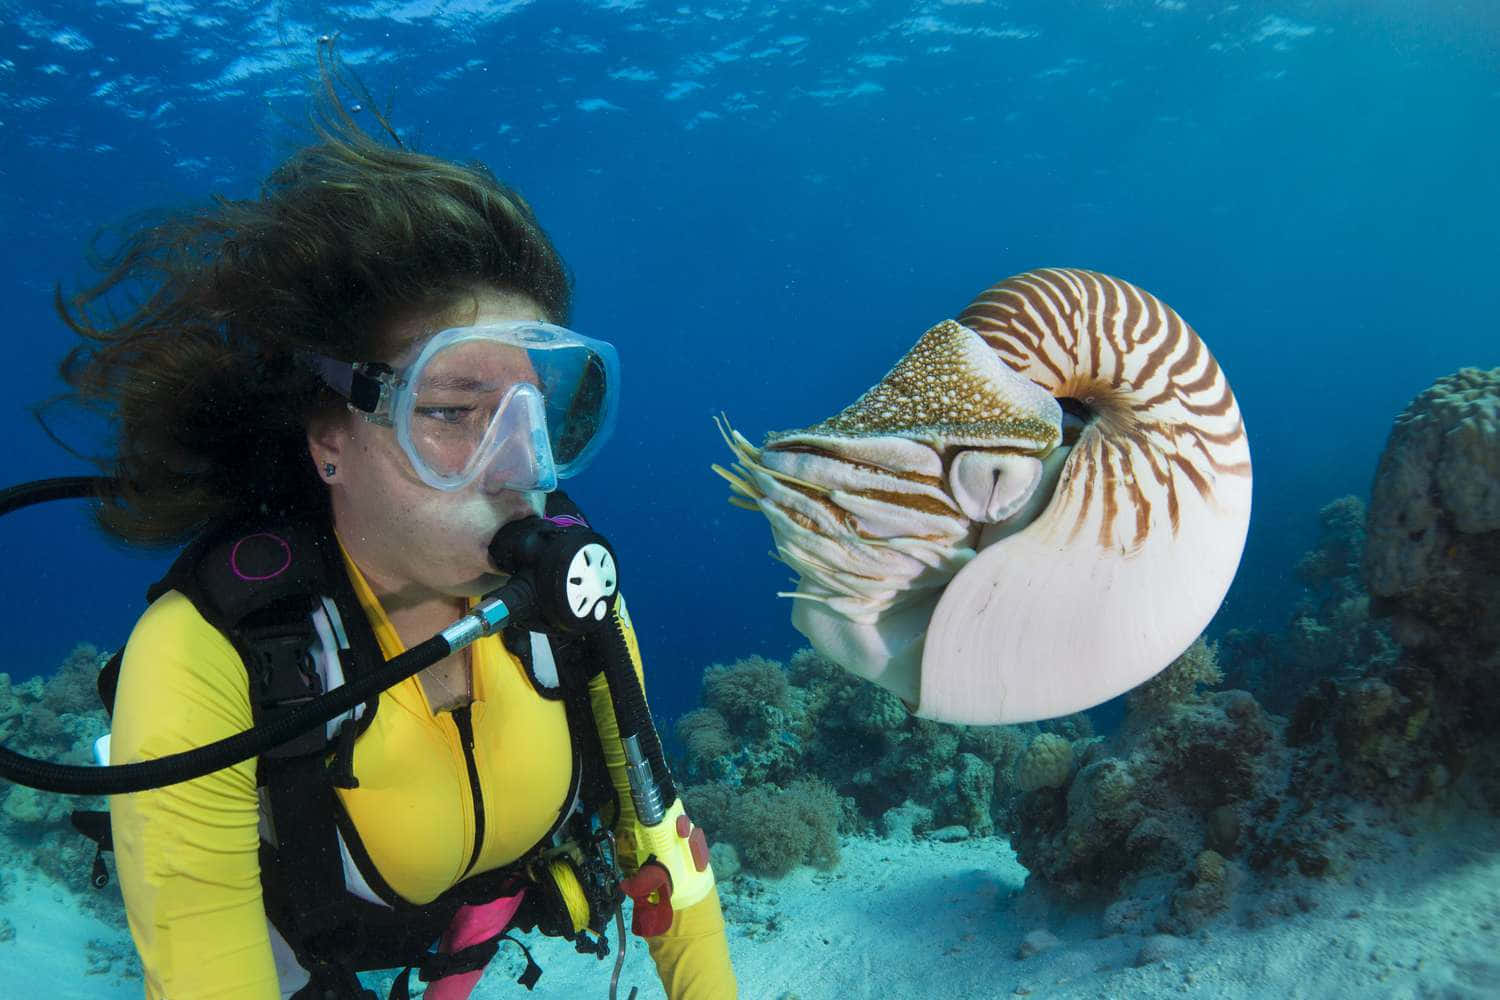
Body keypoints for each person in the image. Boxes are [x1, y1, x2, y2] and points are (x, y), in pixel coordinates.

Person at [51, 55, 737, 1000]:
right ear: (330, 436)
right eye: (456, 411)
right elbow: (206, 968)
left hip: (472, 922)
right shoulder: (213, 651)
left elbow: (662, 842)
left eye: (537, 416)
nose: (518, 467)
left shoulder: (577, 610)